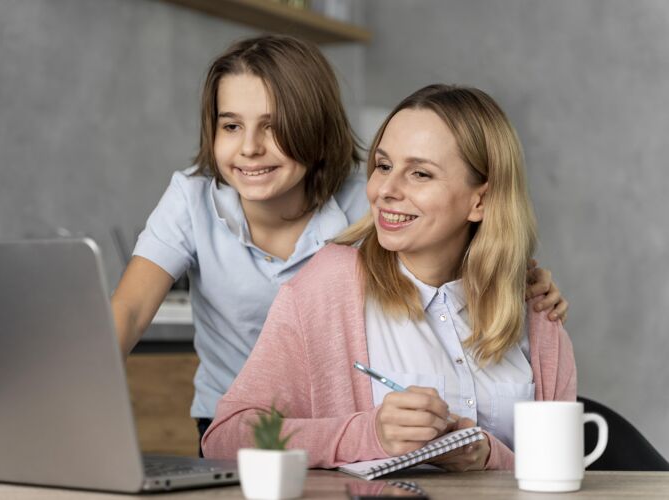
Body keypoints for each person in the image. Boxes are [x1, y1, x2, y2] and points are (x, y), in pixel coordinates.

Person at [110, 35, 567, 451]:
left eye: (272, 127)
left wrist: (521, 277)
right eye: (230, 126)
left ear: (313, 127)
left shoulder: (364, 199)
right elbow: (128, 312)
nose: (248, 148)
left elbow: (451, 233)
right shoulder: (193, 199)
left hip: (340, 414)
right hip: (240, 418)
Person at [201, 84, 576, 471]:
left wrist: (486, 456)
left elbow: (558, 472)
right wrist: (370, 434)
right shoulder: (330, 286)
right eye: (383, 166)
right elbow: (226, 438)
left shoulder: (535, 308)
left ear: (479, 200)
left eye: (419, 173)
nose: (385, 190)